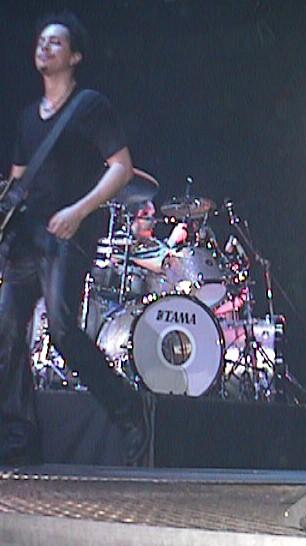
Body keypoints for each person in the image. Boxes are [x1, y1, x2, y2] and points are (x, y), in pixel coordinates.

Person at [0, 12, 150, 465]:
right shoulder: (27, 118)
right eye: (41, 40)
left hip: (67, 233)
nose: (44, 47)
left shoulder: (89, 106)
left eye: (56, 42)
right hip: (25, 238)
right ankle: (20, 437)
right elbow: (17, 181)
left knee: (63, 329)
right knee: (7, 333)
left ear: (75, 56)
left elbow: (121, 167)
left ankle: (126, 408)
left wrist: (77, 211)